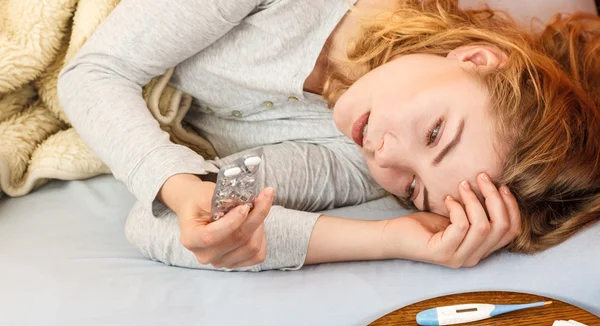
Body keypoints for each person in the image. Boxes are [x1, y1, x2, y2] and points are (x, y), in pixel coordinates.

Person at [58, 0, 600, 271]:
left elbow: (163, 221)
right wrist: (178, 187)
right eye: (435, 134)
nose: (386, 156)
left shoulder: (355, 160)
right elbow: (93, 72)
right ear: (475, 60)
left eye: (414, 188)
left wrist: (394, 239)